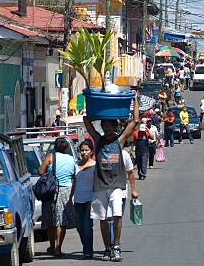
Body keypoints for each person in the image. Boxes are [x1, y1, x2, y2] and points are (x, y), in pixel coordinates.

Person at [83, 95, 139, 262]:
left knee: (117, 216)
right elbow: (86, 119)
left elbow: (135, 120)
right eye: (104, 126)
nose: (107, 129)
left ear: (115, 127)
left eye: (109, 126)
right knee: (102, 219)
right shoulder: (98, 140)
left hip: (116, 185)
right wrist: (101, 111)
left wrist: (135, 99)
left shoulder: (119, 141)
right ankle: (107, 248)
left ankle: (116, 246)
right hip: (100, 185)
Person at [38, 137, 76, 257]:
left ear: (55, 146)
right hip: (67, 190)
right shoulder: (71, 159)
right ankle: (59, 248)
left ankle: (52, 246)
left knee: (51, 220)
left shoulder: (50, 157)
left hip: (52, 191)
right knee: (62, 221)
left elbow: (40, 171)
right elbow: (74, 176)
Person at [72, 140, 96, 259]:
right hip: (77, 200)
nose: (84, 152)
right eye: (82, 150)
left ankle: (88, 250)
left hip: (90, 200)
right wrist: (70, 198)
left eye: (86, 150)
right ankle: (86, 246)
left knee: (87, 226)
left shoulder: (94, 165)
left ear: (91, 151)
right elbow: (74, 182)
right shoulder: (76, 164)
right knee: (79, 226)